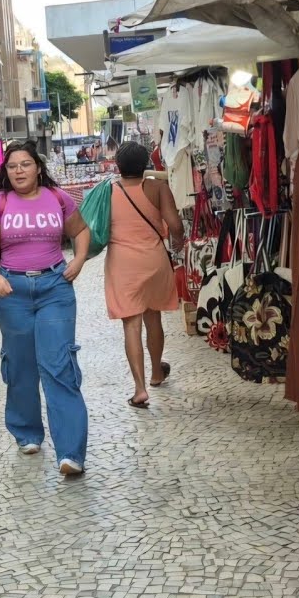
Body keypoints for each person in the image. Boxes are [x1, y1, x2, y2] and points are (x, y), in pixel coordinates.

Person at [0, 140, 90, 475]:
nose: (19, 171)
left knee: (58, 366)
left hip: (55, 287)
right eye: (12, 166)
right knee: (22, 366)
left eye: (25, 164)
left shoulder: (58, 198)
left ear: (38, 167)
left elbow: (81, 231)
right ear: (5, 171)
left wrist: (79, 259)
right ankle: (26, 432)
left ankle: (71, 453)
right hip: (12, 291)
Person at [106, 142, 184, 409]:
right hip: (154, 260)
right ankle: (156, 373)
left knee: (131, 324)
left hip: (122, 264)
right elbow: (175, 226)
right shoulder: (158, 188)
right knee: (153, 317)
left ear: (118, 166)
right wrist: (179, 245)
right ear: (146, 164)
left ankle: (139, 389)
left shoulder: (109, 192)